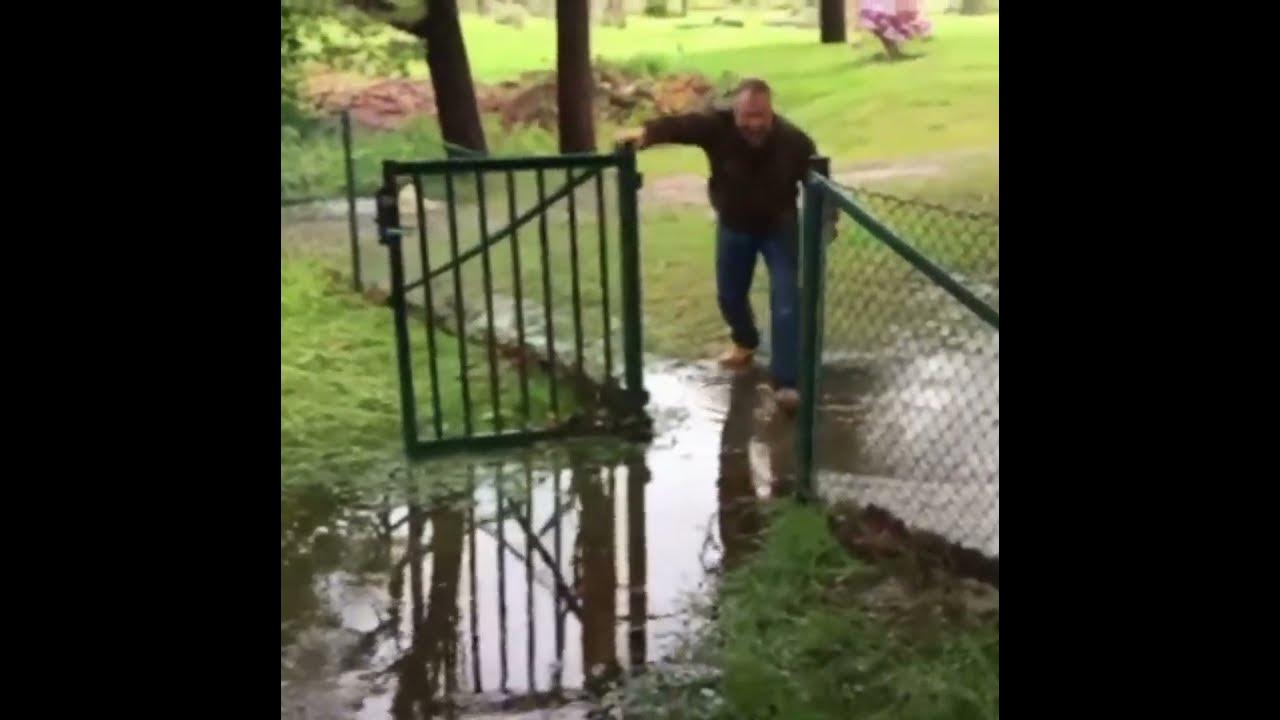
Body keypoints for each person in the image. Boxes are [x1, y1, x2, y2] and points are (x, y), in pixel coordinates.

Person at [617, 78, 826, 413]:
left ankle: (787, 383)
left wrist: (828, 220)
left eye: (761, 116)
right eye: (747, 116)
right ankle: (745, 342)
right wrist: (647, 134)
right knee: (730, 295)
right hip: (734, 226)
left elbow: (821, 184)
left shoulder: (795, 141)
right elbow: (682, 126)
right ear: (736, 111)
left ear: (771, 112)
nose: (754, 125)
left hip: (779, 228)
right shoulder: (717, 127)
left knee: (787, 302)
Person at [859, 0, 932, 61]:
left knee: (889, 28)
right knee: (887, 27)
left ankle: (893, 52)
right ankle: (893, 53)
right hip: (875, 14)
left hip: (877, 13)